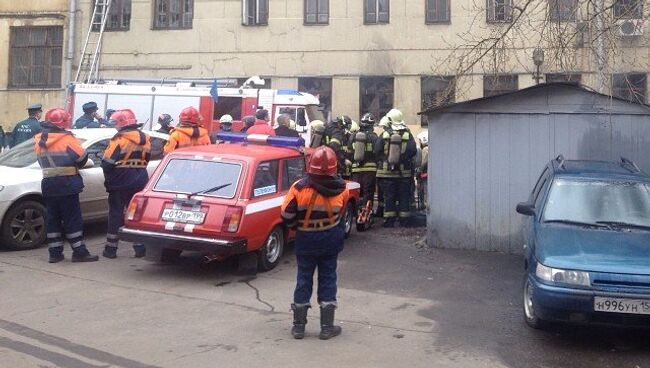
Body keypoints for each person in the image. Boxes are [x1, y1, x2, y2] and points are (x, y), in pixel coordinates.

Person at [281, 146, 349, 340]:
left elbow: (286, 214)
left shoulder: (299, 188)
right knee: (328, 278)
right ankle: (327, 328)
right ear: (334, 167)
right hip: (331, 239)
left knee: (303, 279)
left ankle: (299, 327)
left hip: (306, 239)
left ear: (311, 166)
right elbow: (341, 212)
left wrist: (297, 226)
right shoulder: (342, 188)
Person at [34, 108, 99, 263]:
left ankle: (55, 253)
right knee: (72, 219)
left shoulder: (39, 139)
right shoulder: (67, 139)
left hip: (49, 184)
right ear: (63, 122)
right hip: (67, 184)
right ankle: (79, 252)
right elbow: (82, 159)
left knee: (53, 218)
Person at [101, 109, 151, 259]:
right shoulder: (145, 138)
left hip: (120, 180)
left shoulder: (119, 139)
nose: (114, 126)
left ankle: (111, 249)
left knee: (116, 214)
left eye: (115, 123)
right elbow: (147, 159)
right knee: (136, 215)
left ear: (122, 123)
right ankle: (140, 248)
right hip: (140, 178)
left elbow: (107, 163)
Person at [375, 108, 417, 227]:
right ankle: (404, 221)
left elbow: (377, 150)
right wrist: (403, 159)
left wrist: (385, 159)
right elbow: (413, 150)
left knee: (389, 196)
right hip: (404, 173)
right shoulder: (408, 134)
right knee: (404, 196)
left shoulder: (385, 134)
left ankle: (389, 221)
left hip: (387, 173)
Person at [349, 113, 380, 220]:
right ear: (372, 125)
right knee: (368, 192)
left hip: (355, 170)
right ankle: (366, 214)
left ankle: (355, 214)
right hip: (370, 170)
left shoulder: (353, 136)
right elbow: (378, 152)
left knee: (358, 192)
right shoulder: (374, 137)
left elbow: (348, 152)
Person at [375, 115, 391, 218]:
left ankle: (381, 211)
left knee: (381, 192)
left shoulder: (383, 136)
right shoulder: (400, 134)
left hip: (381, 169)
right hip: (394, 170)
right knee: (390, 193)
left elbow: (376, 150)